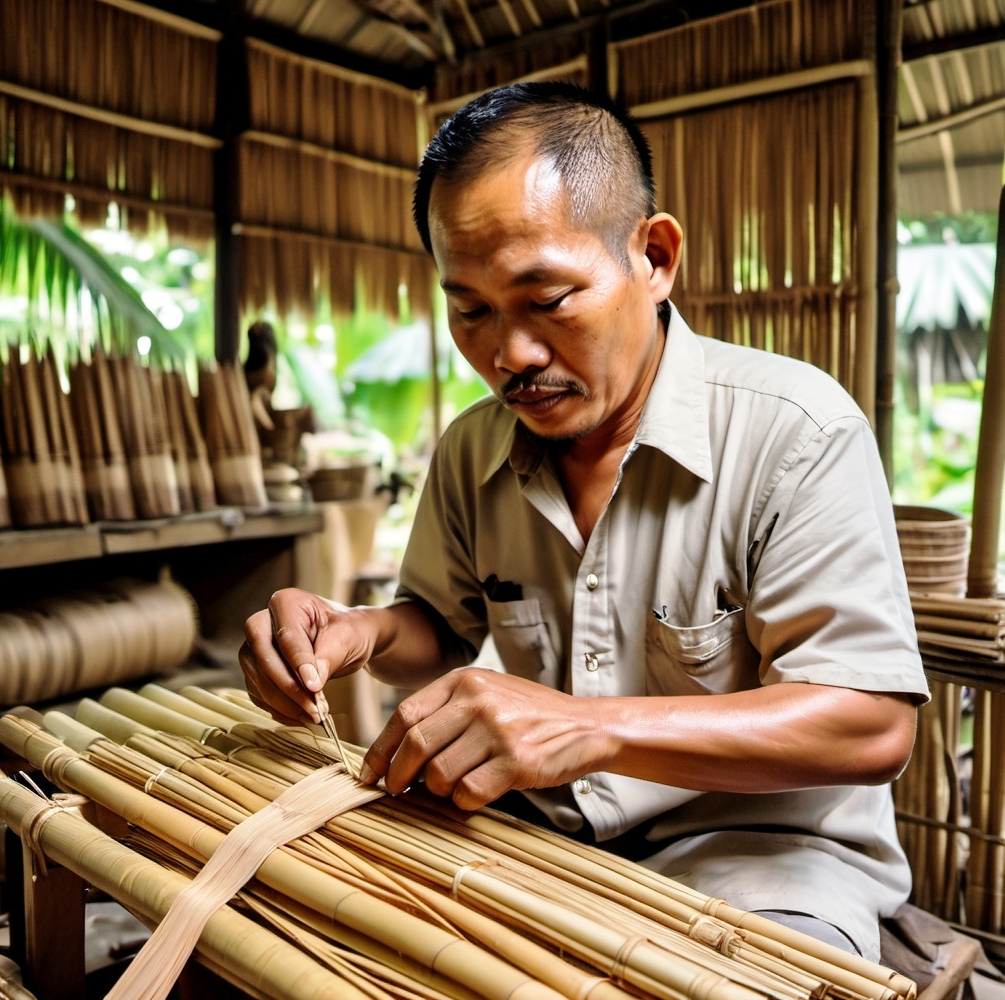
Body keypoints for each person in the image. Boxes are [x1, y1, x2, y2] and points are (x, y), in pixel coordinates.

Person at [240, 82, 929, 963]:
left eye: (548, 298)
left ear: (654, 256)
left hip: (764, 857)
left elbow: (870, 723)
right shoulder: (472, 450)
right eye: (470, 310)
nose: (509, 356)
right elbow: (439, 629)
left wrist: (588, 728)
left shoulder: (795, 431)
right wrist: (357, 633)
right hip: (542, 834)